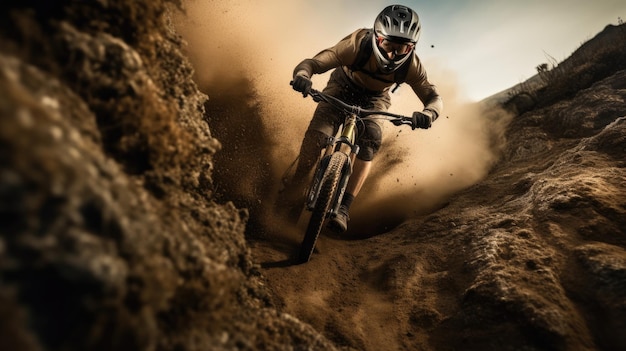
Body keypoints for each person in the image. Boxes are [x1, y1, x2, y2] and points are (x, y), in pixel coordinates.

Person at [281, 4, 443, 233]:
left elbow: (434, 97)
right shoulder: (356, 45)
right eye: (388, 44)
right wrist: (302, 76)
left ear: (412, 47)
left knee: (371, 139)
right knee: (318, 135)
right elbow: (313, 63)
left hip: (375, 99)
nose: (392, 54)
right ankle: (297, 184)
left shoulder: (411, 66)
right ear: (377, 37)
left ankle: (344, 209)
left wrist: (428, 114)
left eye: (402, 48)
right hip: (341, 86)